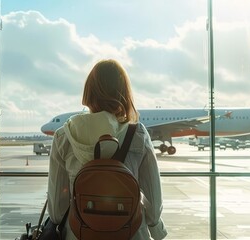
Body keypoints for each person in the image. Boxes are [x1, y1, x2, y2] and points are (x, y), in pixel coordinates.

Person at [47, 59, 168, 240]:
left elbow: (57, 210)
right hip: (131, 233)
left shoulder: (63, 136)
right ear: (124, 92)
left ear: (88, 92)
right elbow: (153, 201)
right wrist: (157, 231)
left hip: (79, 233)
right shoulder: (138, 134)